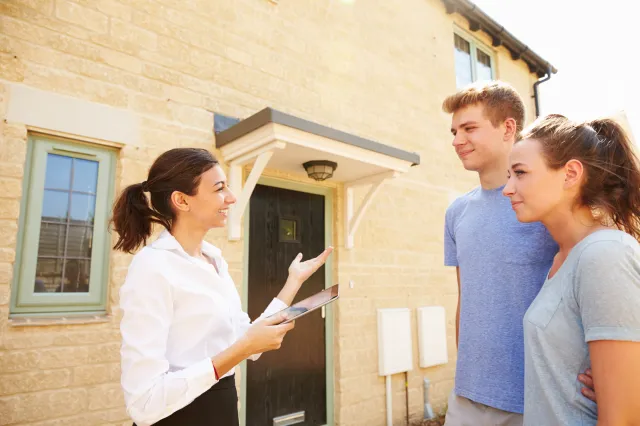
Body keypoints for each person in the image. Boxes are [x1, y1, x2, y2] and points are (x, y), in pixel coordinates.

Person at [111, 148, 333, 426]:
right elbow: (144, 403)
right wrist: (239, 350)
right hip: (181, 417)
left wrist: (294, 282)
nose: (231, 197)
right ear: (181, 200)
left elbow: (248, 343)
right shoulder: (153, 267)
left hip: (222, 409)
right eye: (219, 188)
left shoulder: (214, 260)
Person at [441, 81, 595, 426]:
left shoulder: (548, 201)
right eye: (453, 131)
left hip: (539, 396)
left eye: (469, 128)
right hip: (467, 398)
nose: (456, 141)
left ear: (508, 128)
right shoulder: (457, 212)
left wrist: (614, 369)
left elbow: (602, 288)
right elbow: (467, 298)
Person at [504, 114, 640, 426]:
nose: (507, 189)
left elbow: (624, 418)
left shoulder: (605, 254)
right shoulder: (561, 259)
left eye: (520, 173)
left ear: (570, 174)